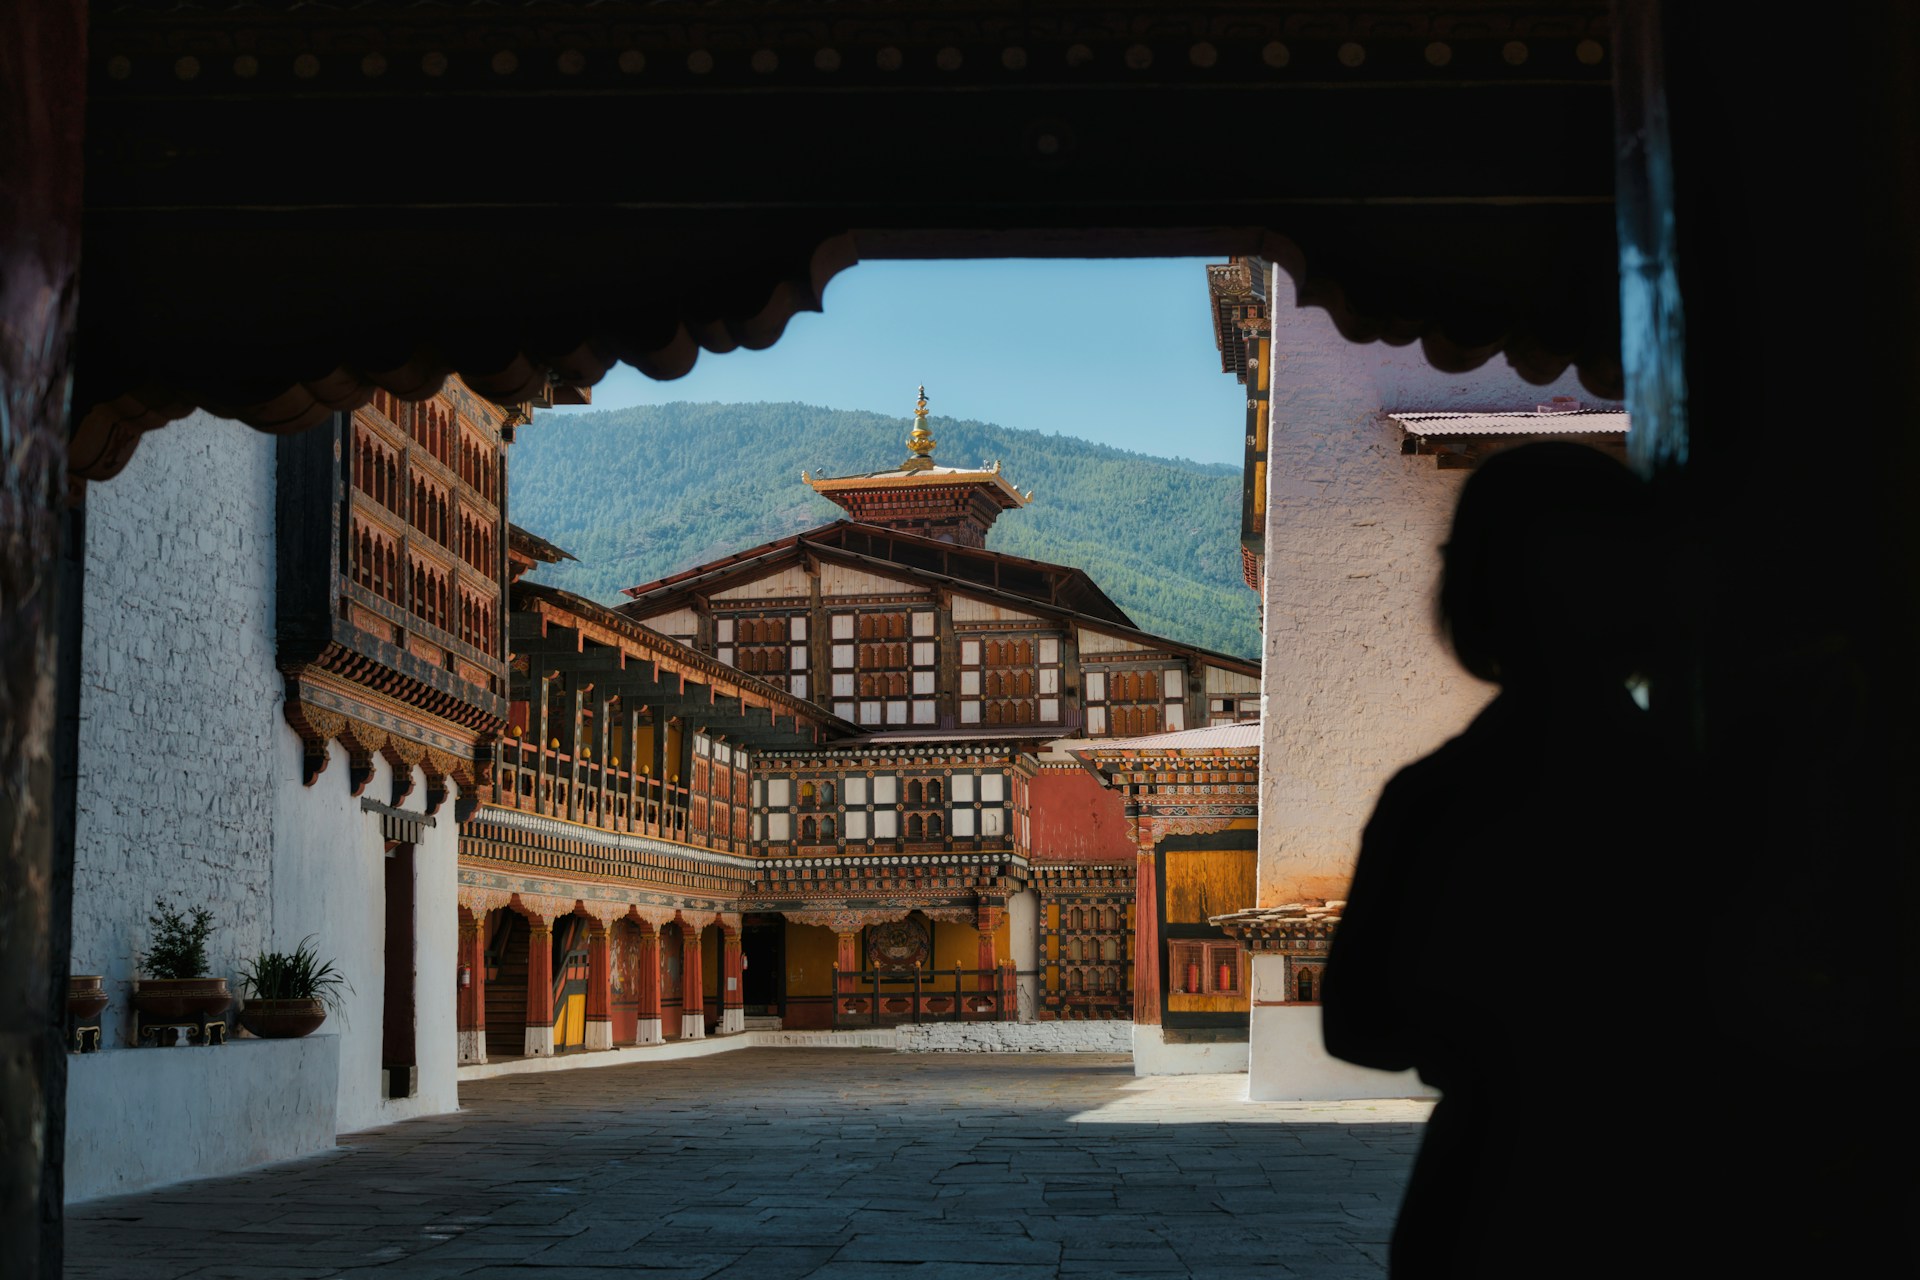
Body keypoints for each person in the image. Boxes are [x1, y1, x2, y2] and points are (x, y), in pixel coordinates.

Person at [1322, 442, 1680, 1275]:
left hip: (1490, 1189)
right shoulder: (1702, 786)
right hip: (1673, 1179)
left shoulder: (1438, 797)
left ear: (1475, 591)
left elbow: (1357, 1023)